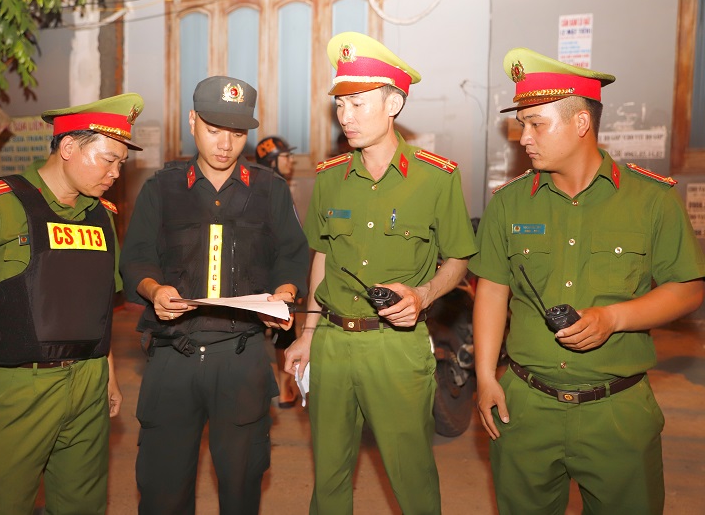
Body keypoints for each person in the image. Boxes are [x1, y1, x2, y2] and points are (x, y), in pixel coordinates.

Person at [470, 47, 705, 515]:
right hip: (526, 406)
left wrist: (613, 318)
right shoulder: (510, 203)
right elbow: (493, 290)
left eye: (536, 124)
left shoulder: (651, 200)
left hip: (616, 412)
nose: (524, 138)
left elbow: (689, 288)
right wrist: (484, 376)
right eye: (521, 124)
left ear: (581, 123)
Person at [284, 32, 477, 514]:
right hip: (332, 342)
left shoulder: (436, 177)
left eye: (357, 104)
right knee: (328, 476)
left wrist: (423, 294)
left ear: (393, 104)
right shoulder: (330, 177)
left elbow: (458, 259)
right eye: (339, 105)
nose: (345, 117)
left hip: (396, 347)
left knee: (411, 475)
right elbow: (322, 257)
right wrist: (308, 334)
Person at [0, 93, 144, 514]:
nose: (115, 174)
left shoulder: (101, 216)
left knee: (83, 506)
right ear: (68, 147)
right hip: (16, 388)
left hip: (88, 383)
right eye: (108, 160)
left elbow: (98, 304)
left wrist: (108, 373)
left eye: (121, 163)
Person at [120, 76, 309, 515]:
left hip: (241, 357)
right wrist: (154, 289)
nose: (226, 144)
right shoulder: (161, 188)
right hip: (174, 356)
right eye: (214, 130)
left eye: (238, 133)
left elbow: (291, 256)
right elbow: (137, 258)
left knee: (242, 486)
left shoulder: (270, 190)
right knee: (163, 489)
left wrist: (283, 294)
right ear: (192, 122)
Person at [255, 135, 300, 407]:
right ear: (272, 160)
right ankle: (284, 390)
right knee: (284, 331)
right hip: (274, 274)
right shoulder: (276, 187)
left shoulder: (255, 185)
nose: (291, 161)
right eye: (286, 156)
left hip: (258, 273)